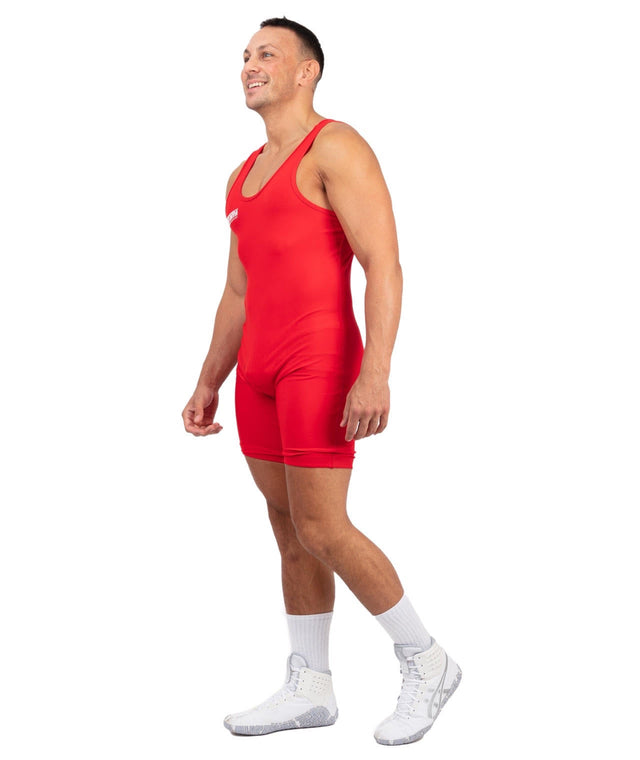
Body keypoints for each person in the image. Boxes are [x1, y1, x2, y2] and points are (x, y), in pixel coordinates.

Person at [181, 16, 462, 746]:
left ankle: (426, 659)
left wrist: (377, 371)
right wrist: (209, 379)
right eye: (245, 56)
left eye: (267, 54)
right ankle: (311, 684)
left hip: (319, 359)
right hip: (259, 371)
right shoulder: (241, 174)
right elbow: (238, 291)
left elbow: (384, 264)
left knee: (323, 527)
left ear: (307, 71)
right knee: (288, 527)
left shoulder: (334, 146)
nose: (250, 65)